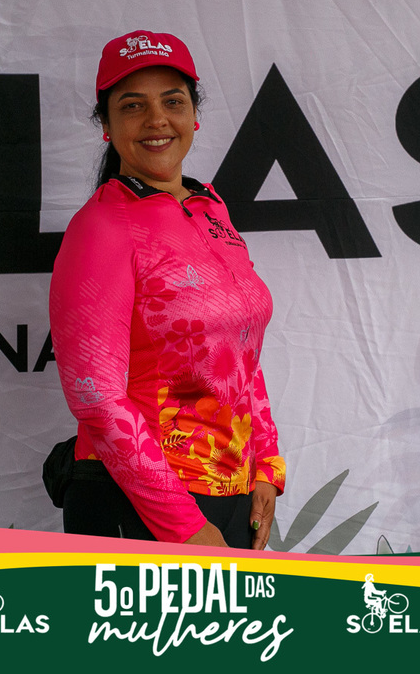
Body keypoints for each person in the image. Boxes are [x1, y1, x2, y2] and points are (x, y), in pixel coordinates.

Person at [49, 30, 286, 549]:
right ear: (106, 125)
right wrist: (184, 525)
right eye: (133, 106)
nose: (157, 119)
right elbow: (95, 397)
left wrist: (266, 463)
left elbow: (241, 352)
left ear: (194, 115)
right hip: (138, 501)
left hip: (231, 493)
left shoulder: (211, 209)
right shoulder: (101, 228)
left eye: (172, 102)